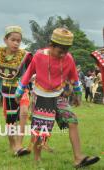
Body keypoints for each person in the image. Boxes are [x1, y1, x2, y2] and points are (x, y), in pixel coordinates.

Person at [15, 28, 100, 168]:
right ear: (51, 45)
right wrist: (19, 92)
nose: (63, 54)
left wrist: (78, 94)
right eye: (61, 51)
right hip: (41, 97)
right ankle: (37, 160)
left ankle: (78, 158)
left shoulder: (69, 58)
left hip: (59, 96)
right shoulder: (39, 56)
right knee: (41, 131)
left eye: (66, 50)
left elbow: (74, 77)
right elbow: (28, 74)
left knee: (72, 121)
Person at [0, 26, 33, 156]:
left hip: (22, 90)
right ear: (5, 40)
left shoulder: (26, 55)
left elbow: (33, 69)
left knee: (23, 112)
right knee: (10, 120)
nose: (16, 43)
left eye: (18, 40)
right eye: (13, 40)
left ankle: (19, 144)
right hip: (7, 91)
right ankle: (13, 145)